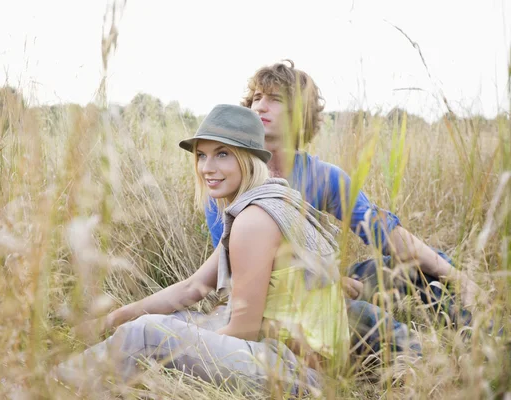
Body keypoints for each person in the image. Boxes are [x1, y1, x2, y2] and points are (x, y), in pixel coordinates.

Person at [53, 104, 351, 397]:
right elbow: (193, 287)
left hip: (299, 376)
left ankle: (53, 388)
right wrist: (112, 319)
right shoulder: (271, 203)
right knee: (173, 321)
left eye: (222, 154)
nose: (207, 168)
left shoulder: (255, 221)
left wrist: (173, 351)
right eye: (201, 155)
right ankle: (79, 378)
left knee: (148, 333)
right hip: (288, 356)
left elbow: (243, 330)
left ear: (248, 159)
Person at [204, 60, 482, 324]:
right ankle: (411, 359)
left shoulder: (322, 175)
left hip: (326, 279)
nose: (260, 107)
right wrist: (330, 282)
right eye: (256, 98)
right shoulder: (227, 177)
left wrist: (458, 276)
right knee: (362, 315)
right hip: (276, 301)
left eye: (275, 100)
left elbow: (380, 230)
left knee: (424, 266)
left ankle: (482, 337)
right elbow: (238, 272)